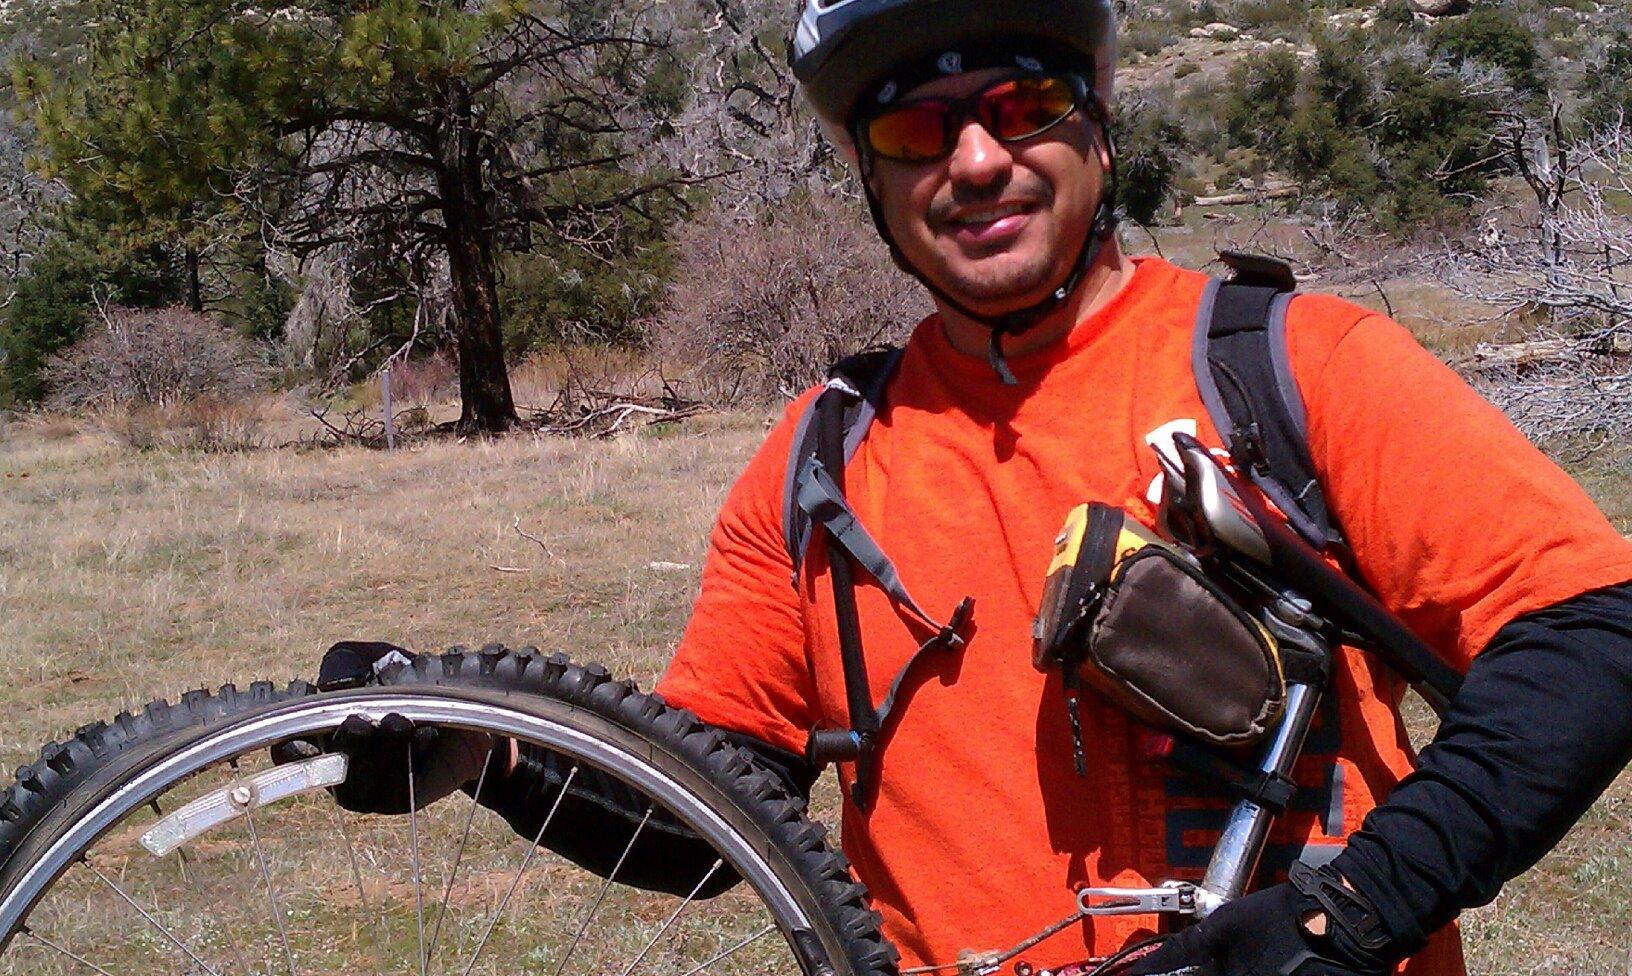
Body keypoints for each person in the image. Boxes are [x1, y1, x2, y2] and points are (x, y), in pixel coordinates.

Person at [325, 2, 1632, 974]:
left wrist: (1338, 922)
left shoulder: (1296, 370)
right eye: (914, 128)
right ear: (874, 182)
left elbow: (1592, 635)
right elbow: (714, 815)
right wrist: (479, 748)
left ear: (1099, 136)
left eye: (1022, 106)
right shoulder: (822, 460)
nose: (974, 160)